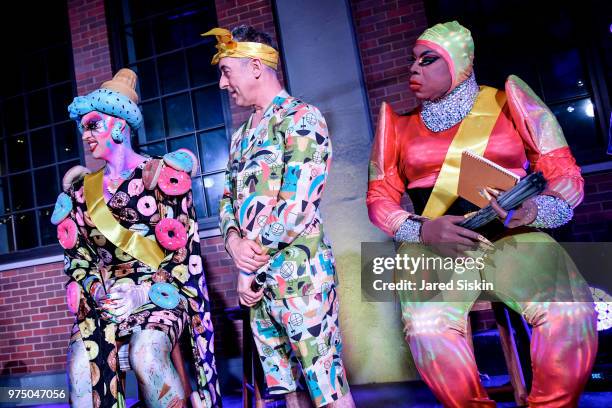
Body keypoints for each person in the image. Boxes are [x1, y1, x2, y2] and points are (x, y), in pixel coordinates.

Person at [366, 21, 598, 407]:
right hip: (434, 241)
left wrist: (533, 209)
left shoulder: (508, 101)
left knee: (569, 311)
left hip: (513, 235)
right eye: (412, 61)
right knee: (425, 327)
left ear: (461, 64)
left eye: (428, 60)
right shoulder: (397, 125)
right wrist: (420, 231)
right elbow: (378, 197)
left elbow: (565, 173)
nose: (414, 69)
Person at [202, 25, 355, 408]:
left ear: (256, 66)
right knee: (287, 392)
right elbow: (226, 201)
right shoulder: (241, 136)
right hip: (257, 288)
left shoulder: (301, 118)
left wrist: (247, 259)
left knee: (327, 387)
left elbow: (297, 204)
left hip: (301, 279)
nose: (223, 84)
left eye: (226, 71)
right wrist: (235, 244)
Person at [53, 68, 221, 407]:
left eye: (92, 125)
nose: (85, 134)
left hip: (159, 291)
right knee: (81, 368)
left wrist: (141, 292)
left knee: (146, 356)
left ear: (118, 124)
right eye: (82, 127)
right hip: (105, 297)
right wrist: (98, 291)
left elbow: (185, 256)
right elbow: (79, 261)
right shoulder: (80, 193)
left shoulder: (163, 177)